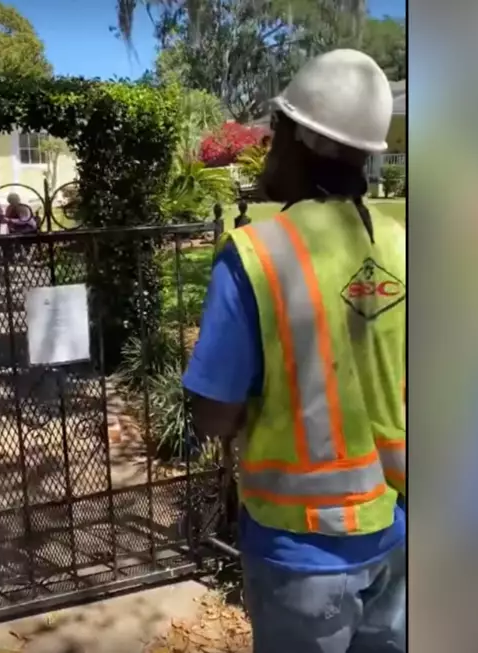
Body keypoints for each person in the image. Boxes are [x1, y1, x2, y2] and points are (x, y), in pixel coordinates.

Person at [183, 49, 406, 653]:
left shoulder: (257, 254)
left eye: (276, 129)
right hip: (397, 539)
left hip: (301, 553)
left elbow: (213, 414)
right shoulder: (403, 244)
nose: (266, 143)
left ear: (308, 140)